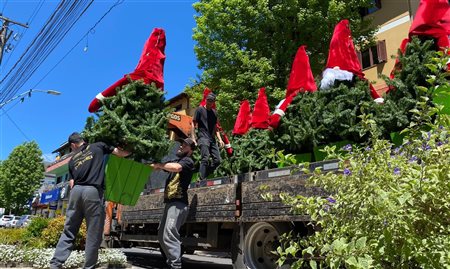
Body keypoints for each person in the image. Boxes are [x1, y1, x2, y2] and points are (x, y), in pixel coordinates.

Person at [50, 132, 130, 269]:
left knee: (69, 230)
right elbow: (120, 153)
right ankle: (88, 267)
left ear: (73, 145)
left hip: (76, 192)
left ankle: (55, 264)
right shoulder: (98, 146)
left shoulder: (72, 159)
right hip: (92, 191)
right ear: (82, 141)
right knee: (93, 232)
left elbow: (71, 183)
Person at [151, 138, 195, 269]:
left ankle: (175, 265)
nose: (181, 146)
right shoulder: (176, 161)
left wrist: (159, 165)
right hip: (170, 204)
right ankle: (172, 262)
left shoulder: (188, 161)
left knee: (170, 233)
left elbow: (176, 168)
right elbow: (166, 167)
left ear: (190, 150)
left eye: (185, 145)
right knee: (161, 235)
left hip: (178, 203)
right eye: (181, 144)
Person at [191, 93, 224, 180]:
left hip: (212, 139)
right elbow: (193, 123)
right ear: (206, 100)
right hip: (203, 137)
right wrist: (193, 138)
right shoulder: (200, 110)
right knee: (205, 158)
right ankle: (202, 179)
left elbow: (216, 128)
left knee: (218, 161)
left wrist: (220, 140)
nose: (209, 102)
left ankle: (204, 173)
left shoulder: (214, 113)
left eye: (211, 101)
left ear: (213, 102)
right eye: (208, 100)